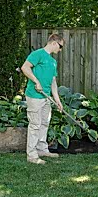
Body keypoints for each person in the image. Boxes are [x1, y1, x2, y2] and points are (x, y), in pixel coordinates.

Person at [21, 34, 64, 165]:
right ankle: (32, 155)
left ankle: (41, 149)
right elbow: (25, 67)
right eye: (60, 46)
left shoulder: (53, 61)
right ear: (54, 43)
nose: (60, 50)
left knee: (44, 123)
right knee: (35, 125)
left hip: (46, 98)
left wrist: (57, 100)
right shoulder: (38, 54)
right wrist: (36, 81)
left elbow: (53, 82)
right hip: (34, 96)